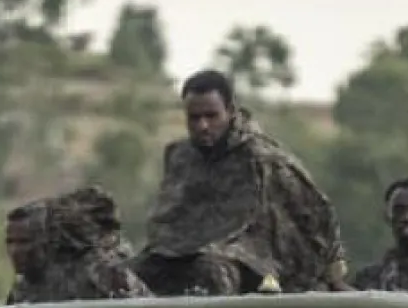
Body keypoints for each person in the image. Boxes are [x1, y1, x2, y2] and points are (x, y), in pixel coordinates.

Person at [136, 70, 350, 296]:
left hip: (253, 262)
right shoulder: (180, 156)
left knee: (210, 274)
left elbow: (317, 213)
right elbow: (169, 218)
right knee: (125, 277)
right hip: (181, 252)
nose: (203, 126)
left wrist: (332, 274)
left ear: (230, 111)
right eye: (195, 118)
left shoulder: (264, 158)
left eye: (211, 116)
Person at [4, 185, 151, 305]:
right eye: (10, 242)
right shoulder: (22, 289)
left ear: (45, 242)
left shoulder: (97, 273)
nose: (15, 251)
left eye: (24, 242)